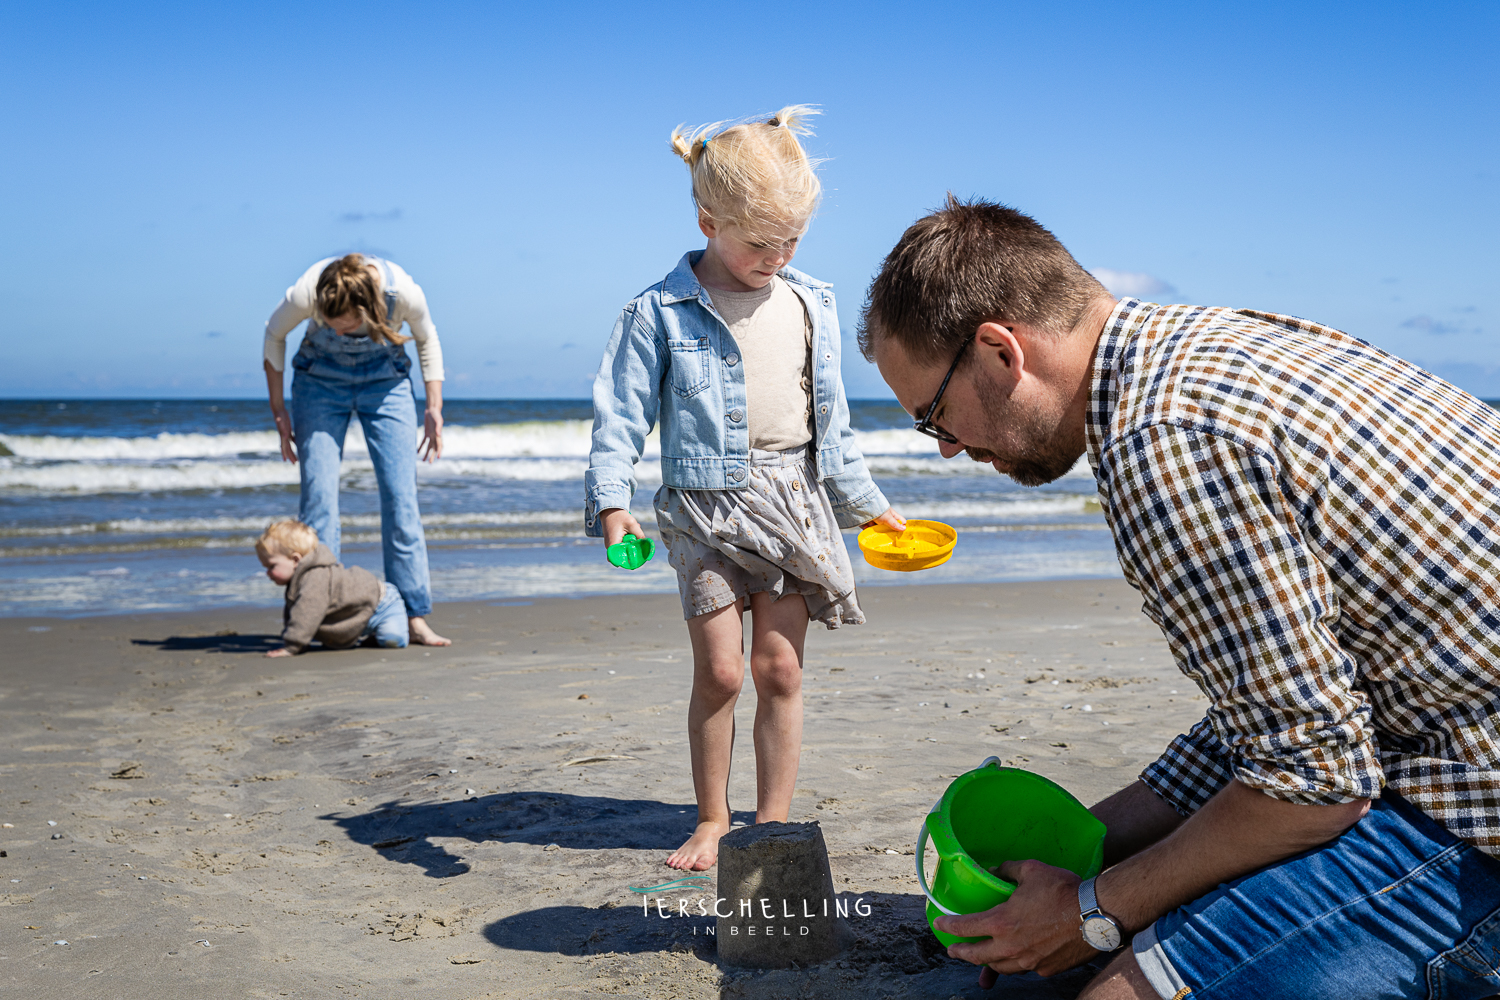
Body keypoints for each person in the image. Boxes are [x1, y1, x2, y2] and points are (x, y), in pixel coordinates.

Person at [860, 196, 1500, 1000]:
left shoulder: (1161, 443)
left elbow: (1316, 781)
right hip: (1438, 737)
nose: (948, 448)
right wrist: (1091, 849)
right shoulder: (1219, 345)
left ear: (999, 351)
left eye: (933, 415)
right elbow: (1281, 707)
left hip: (1475, 809)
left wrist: (1088, 911)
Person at [586, 106, 904, 872]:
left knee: (779, 669)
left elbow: (834, 426)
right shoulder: (657, 312)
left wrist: (872, 509)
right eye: (761, 242)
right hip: (703, 508)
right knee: (723, 672)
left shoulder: (810, 304)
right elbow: (620, 415)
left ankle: (771, 822)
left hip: (793, 502)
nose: (778, 255)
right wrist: (613, 503)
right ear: (708, 220)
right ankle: (709, 818)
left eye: (792, 240)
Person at [263, 253, 450, 647]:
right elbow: (274, 335)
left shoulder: (405, 294)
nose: (342, 336)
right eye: (332, 327)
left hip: (387, 384)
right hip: (318, 383)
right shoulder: (306, 293)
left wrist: (433, 408)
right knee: (318, 502)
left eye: (347, 328)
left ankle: (413, 615)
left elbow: (426, 337)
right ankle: (320, 613)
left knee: (401, 499)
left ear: (369, 310)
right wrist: (279, 411)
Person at [256, 518, 408, 657]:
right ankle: (365, 634)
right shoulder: (299, 580)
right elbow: (295, 613)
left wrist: (292, 646)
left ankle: (381, 634)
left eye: (271, 566)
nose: (267, 573)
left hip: (382, 603)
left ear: (295, 559)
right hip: (355, 613)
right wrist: (291, 638)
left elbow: (307, 612)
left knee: (393, 640)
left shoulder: (315, 578)